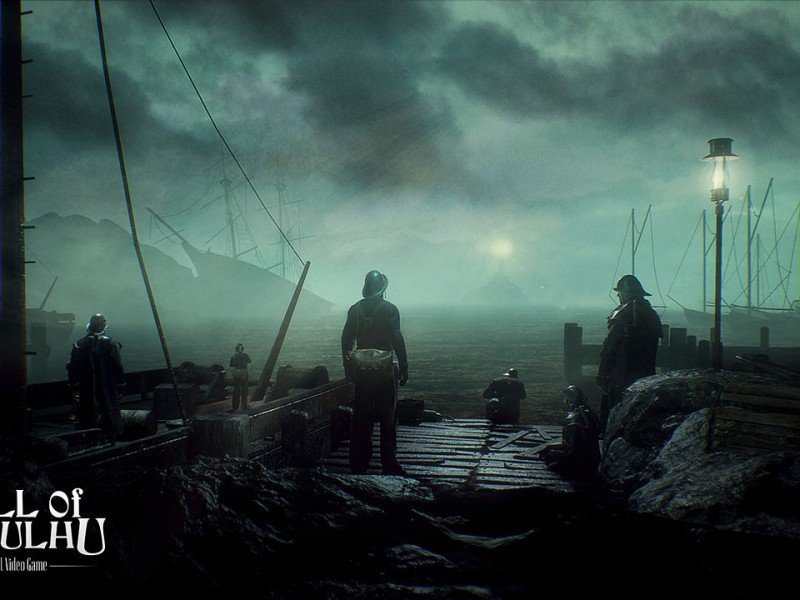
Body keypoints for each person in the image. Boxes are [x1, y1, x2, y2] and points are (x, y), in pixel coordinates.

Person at [341, 270, 408, 475]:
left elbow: (346, 339)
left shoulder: (354, 310)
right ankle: (389, 462)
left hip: (362, 370)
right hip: (384, 369)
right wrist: (404, 364)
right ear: (383, 289)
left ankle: (359, 462)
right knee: (388, 415)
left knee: (362, 415)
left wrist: (347, 365)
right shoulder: (390, 309)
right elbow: (397, 338)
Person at [597, 274, 663, 430]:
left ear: (626, 294)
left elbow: (610, 348)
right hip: (645, 374)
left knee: (615, 415)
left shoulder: (623, 314)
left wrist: (603, 374)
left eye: (620, 292)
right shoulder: (651, 315)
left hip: (620, 375)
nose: (618, 296)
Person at [66, 314, 124, 444]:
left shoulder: (78, 344)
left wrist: (72, 384)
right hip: (107, 387)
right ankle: (111, 439)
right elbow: (118, 365)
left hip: (85, 387)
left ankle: (87, 438)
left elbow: (72, 367)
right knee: (109, 412)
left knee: (86, 413)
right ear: (104, 326)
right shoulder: (111, 343)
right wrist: (121, 384)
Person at [540, 385, 601, 477]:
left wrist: (551, 450)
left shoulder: (574, 418)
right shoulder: (591, 414)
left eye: (565, 399)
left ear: (569, 401)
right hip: (594, 460)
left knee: (548, 455)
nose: (564, 402)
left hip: (580, 462)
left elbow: (571, 449)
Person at [229, 343, 251, 412]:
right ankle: (244, 406)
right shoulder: (245, 355)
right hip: (244, 373)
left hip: (236, 374)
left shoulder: (233, 356)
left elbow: (231, 365)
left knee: (236, 391)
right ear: (242, 349)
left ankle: (235, 407)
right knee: (244, 391)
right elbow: (249, 362)